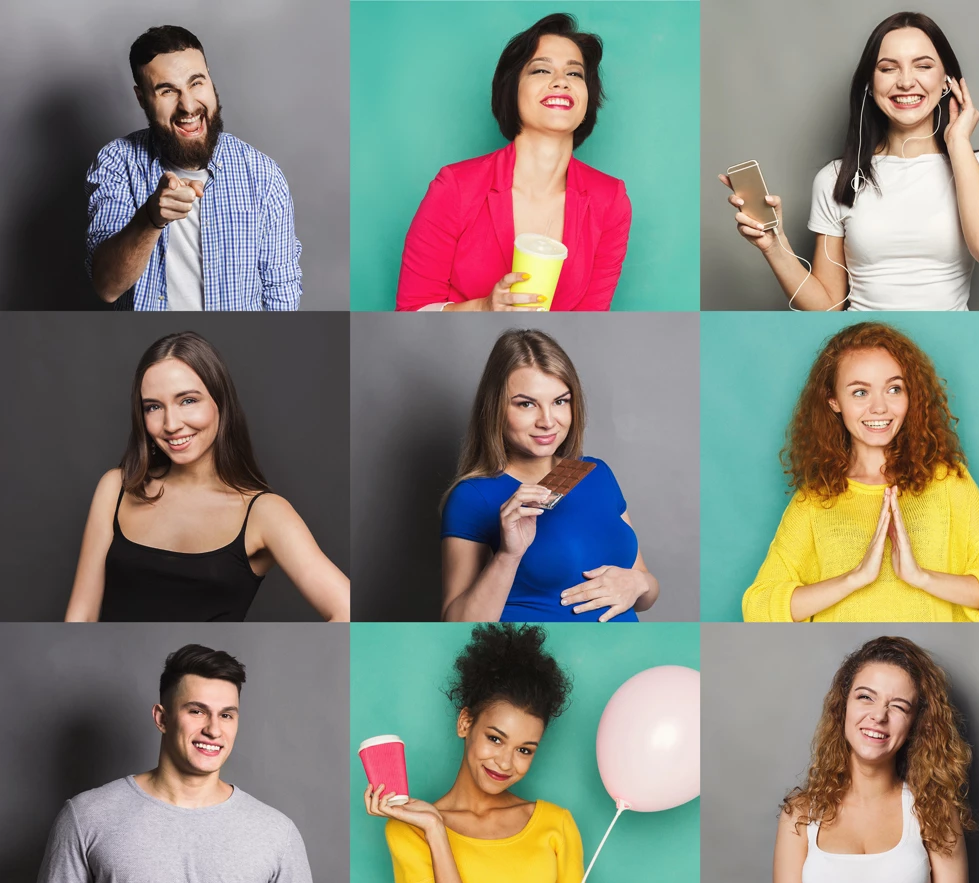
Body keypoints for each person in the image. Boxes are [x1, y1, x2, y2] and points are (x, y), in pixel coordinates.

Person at [719, 11, 979, 311]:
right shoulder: (836, 178)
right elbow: (828, 305)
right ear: (870, 86)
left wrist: (958, 142)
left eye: (923, 66)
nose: (906, 81)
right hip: (864, 340)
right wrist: (774, 245)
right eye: (888, 69)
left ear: (947, 82)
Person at [743, 321, 979, 622]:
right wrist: (855, 577)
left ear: (910, 395)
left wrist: (920, 577)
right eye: (860, 392)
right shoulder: (813, 500)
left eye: (893, 388)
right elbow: (757, 608)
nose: (880, 407)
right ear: (833, 401)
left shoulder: (947, 482)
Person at [32, 644, 325, 883]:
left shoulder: (275, 832)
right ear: (162, 718)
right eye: (197, 711)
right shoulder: (86, 817)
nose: (214, 729)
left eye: (226, 715)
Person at [64, 331, 350, 622]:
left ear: (219, 402)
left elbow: (346, 609)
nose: (171, 424)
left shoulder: (265, 513)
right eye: (153, 407)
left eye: (187, 401)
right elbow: (80, 616)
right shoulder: (116, 488)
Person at [365, 623, 593, 883]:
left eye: (524, 750)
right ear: (465, 723)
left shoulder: (557, 823)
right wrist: (435, 828)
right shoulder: (410, 831)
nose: (505, 762)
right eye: (495, 739)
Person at [397, 13, 631, 312]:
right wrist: (483, 309)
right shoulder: (455, 187)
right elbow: (411, 311)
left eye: (575, 74)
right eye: (541, 71)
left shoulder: (610, 201)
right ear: (512, 90)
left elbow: (591, 318)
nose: (561, 82)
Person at [440, 329, 657, 622]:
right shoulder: (474, 495)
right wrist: (508, 555)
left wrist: (639, 583)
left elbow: (645, 589)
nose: (547, 421)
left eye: (560, 401)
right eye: (526, 404)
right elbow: (455, 624)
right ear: (495, 409)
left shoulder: (596, 473)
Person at [86, 26, 302, 310]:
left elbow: (281, 293)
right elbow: (107, 286)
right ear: (142, 99)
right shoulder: (117, 162)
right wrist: (150, 219)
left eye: (196, 83)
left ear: (210, 80)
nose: (188, 106)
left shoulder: (263, 176)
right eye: (167, 91)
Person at [773, 636, 972, 883]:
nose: (879, 716)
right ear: (843, 706)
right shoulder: (799, 815)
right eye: (866, 697)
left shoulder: (935, 811)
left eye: (899, 706)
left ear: (916, 723)